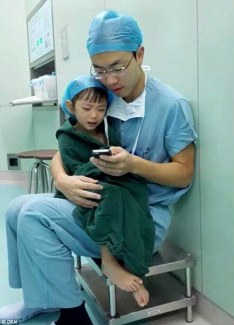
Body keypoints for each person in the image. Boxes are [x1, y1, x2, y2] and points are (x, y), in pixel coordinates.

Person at [0, 9, 197, 325]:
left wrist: (133, 164)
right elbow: (68, 147)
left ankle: (73, 317)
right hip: (98, 202)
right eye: (100, 69)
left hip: (139, 217)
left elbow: (184, 171)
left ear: (140, 54)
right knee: (15, 209)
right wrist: (62, 179)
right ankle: (37, 300)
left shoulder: (171, 107)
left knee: (35, 214)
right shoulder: (102, 96)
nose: (111, 79)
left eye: (118, 67)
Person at [55, 74, 155, 307]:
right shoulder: (67, 137)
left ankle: (134, 266)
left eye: (100, 109)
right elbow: (76, 170)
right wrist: (99, 162)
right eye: (87, 108)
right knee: (113, 196)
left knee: (136, 193)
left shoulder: (108, 127)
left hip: (113, 178)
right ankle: (109, 262)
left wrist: (115, 160)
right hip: (85, 187)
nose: (94, 115)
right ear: (71, 107)